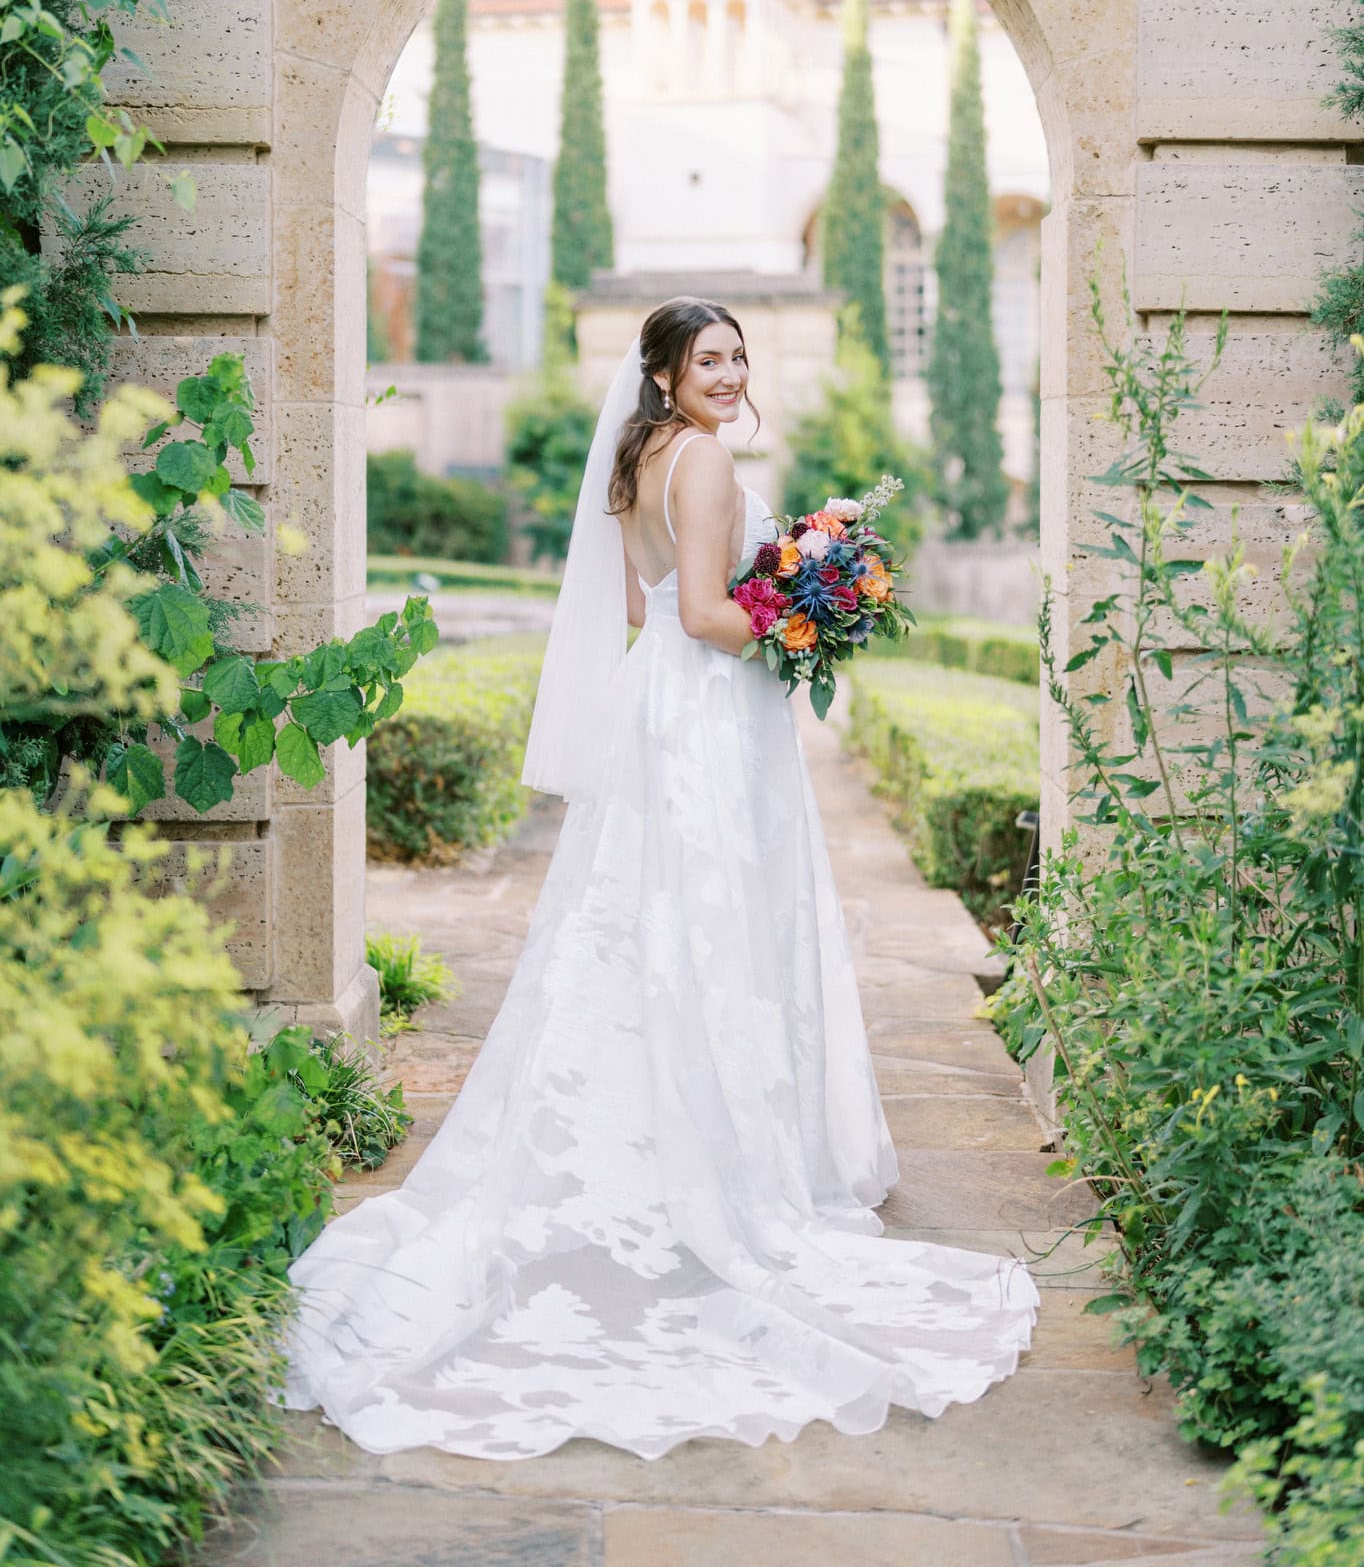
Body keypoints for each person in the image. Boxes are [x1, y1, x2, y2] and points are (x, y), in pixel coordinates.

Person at [282, 296, 1038, 1460]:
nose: (729, 373)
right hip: (705, 720)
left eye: (738, 356)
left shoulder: (641, 455)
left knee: (641, 925)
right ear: (665, 372)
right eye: (707, 359)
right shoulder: (704, 464)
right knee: (708, 928)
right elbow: (696, 614)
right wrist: (804, 618)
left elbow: (637, 603)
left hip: (663, 711)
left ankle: (657, 1123)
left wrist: (793, 591)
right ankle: (706, 1164)